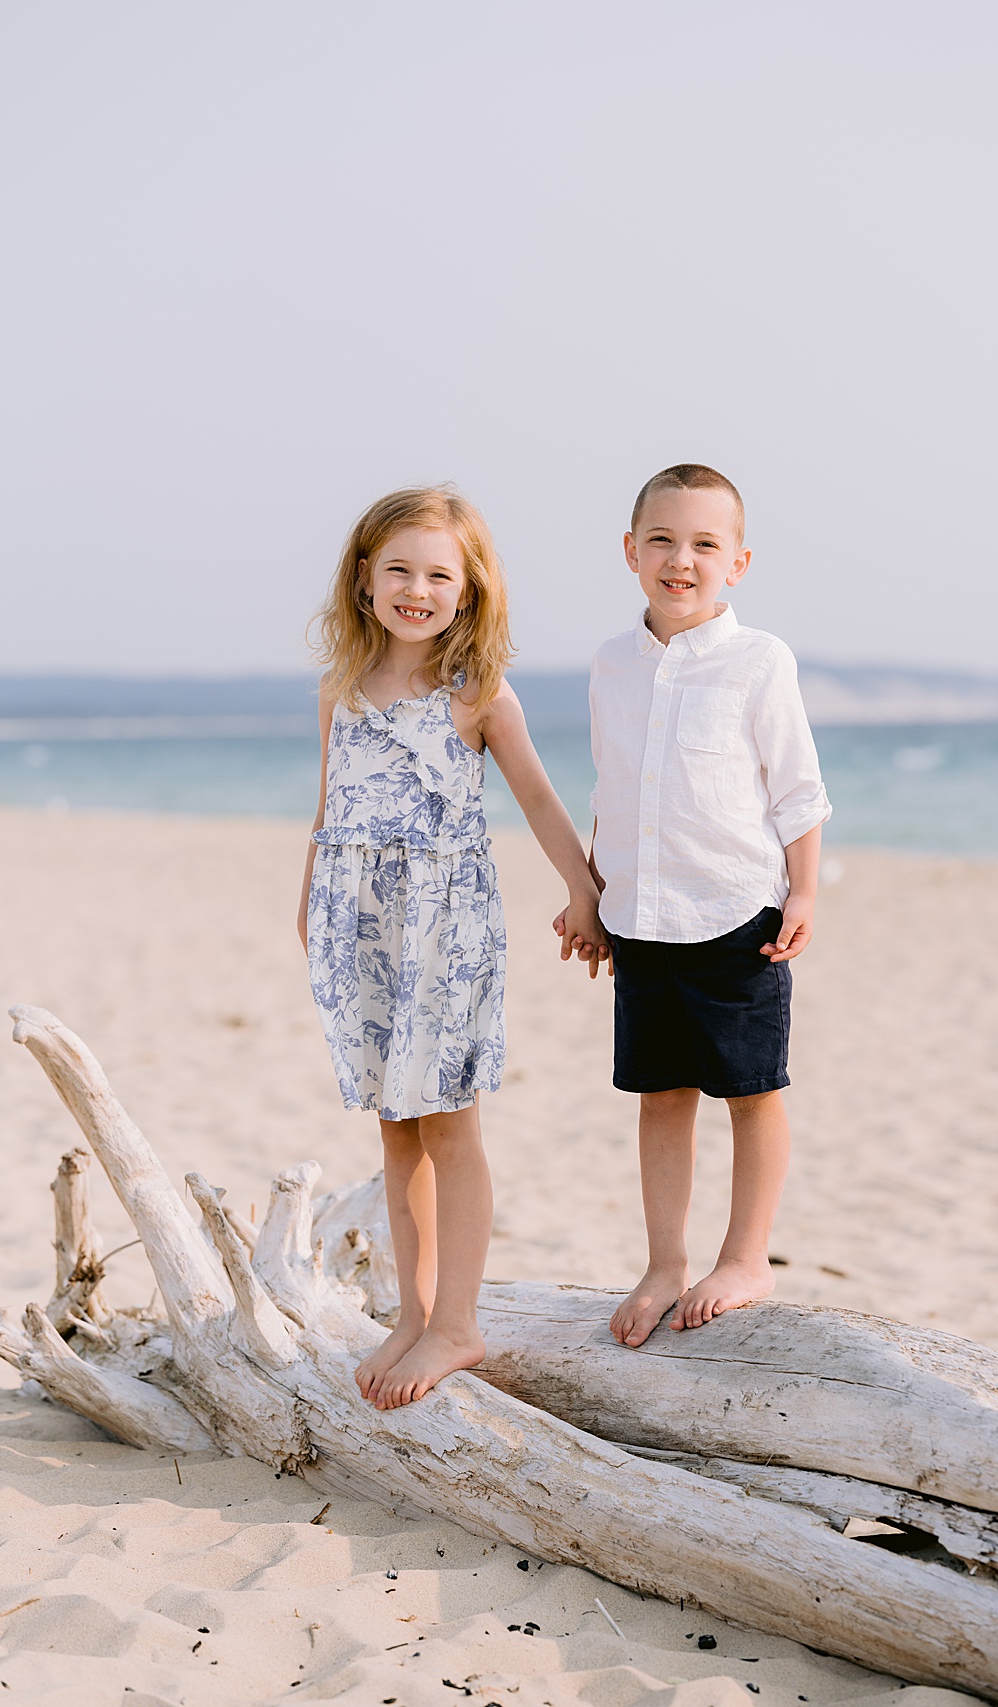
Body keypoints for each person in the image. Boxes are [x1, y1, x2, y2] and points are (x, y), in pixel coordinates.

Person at [299, 485, 605, 1409]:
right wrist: (309, 906)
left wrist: (584, 891)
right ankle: (413, 1309)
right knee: (396, 1129)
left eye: (439, 573)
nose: (417, 589)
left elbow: (541, 800)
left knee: (450, 1124)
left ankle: (458, 1323)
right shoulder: (340, 690)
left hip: (447, 931)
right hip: (365, 932)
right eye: (399, 569)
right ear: (364, 578)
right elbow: (327, 816)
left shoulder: (478, 695)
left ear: (470, 589)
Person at [558, 463, 831, 1349]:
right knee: (660, 1094)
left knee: (752, 1090)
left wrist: (806, 891)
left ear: (739, 562)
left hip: (736, 913)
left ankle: (746, 1255)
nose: (683, 560)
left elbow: (797, 791)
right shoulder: (609, 664)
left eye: (705, 545)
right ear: (630, 551)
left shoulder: (760, 662)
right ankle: (664, 1261)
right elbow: (613, 789)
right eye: (664, 541)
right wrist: (592, 897)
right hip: (641, 919)